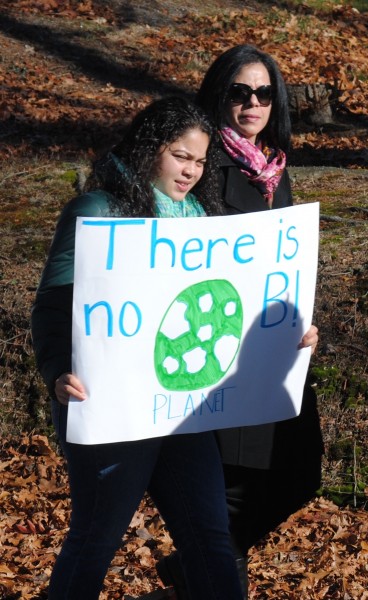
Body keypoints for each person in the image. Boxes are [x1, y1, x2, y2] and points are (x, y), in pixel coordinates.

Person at [31, 96, 245, 600]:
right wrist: (58, 370)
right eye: (180, 156)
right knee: (95, 541)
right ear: (152, 148)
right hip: (109, 405)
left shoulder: (203, 220)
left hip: (182, 406)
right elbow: (52, 307)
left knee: (211, 538)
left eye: (199, 160)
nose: (191, 171)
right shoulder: (96, 208)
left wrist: (286, 338)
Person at [155, 45, 324, 600]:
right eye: (239, 92)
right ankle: (217, 579)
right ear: (219, 95)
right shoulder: (205, 167)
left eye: (264, 92)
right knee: (233, 484)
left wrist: (305, 320)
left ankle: (201, 568)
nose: (253, 103)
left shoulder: (275, 168)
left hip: (277, 345)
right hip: (220, 343)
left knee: (301, 474)